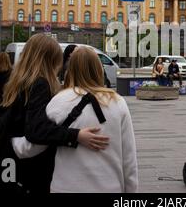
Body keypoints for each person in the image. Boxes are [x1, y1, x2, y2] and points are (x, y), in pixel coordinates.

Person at [2, 34, 110, 193]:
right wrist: (76, 135)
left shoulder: (16, 81)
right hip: (31, 167)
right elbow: (37, 130)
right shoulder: (40, 84)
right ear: (49, 60)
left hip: (10, 164)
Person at [45, 47, 137, 192]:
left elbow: (38, 141)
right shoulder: (117, 102)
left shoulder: (58, 101)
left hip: (66, 187)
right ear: (98, 69)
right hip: (108, 187)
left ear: (70, 69)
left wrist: (13, 142)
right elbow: (129, 158)